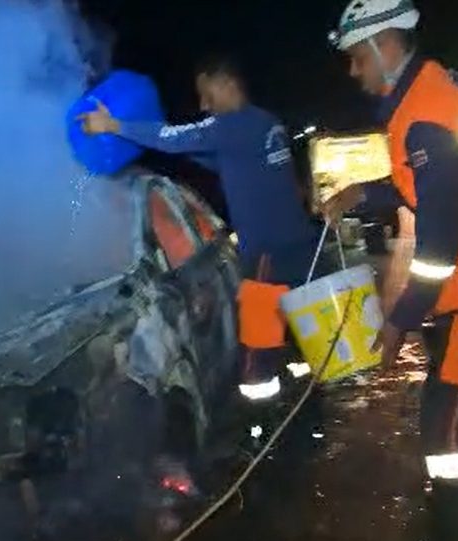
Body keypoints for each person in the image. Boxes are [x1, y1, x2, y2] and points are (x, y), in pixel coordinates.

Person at [324, 0, 458, 458]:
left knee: (451, 435)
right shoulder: (427, 94)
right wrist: (362, 194)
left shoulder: (423, 113)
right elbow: (427, 184)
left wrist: (399, 321)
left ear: (387, 45)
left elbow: (440, 239)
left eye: (359, 56)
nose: (353, 71)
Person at [78, 56, 328, 397]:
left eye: (206, 94)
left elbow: (177, 138)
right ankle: (305, 401)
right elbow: (208, 154)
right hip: (294, 245)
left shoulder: (233, 124)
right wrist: (160, 143)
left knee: (258, 354)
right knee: (298, 336)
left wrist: (114, 127)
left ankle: (265, 427)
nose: (203, 104)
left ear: (226, 84)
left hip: (267, 255)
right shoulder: (264, 123)